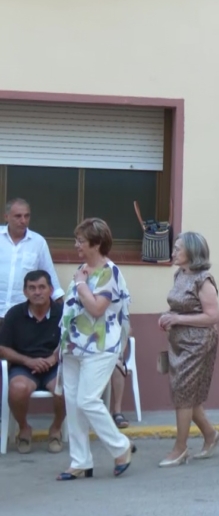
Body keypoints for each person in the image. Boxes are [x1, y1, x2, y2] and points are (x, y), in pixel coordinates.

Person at [56, 218, 135, 480]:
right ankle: (80, 461)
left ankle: (120, 446)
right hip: (73, 346)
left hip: (100, 346)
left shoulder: (109, 272)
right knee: (74, 405)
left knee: (88, 400)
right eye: (76, 240)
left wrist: (79, 284)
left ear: (97, 243)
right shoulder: (83, 269)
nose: (76, 245)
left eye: (80, 240)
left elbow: (96, 308)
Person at [157, 232, 219, 467]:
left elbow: (213, 316)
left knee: (183, 392)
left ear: (192, 253)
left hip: (198, 343)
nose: (173, 252)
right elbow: (179, 307)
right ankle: (210, 435)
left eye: (178, 248)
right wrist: (168, 317)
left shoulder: (203, 280)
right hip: (178, 342)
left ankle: (180, 448)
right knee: (186, 394)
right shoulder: (180, 274)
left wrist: (177, 319)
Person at [0, 270, 65, 454]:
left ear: (51, 290)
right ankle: (24, 429)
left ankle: (56, 429)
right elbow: (2, 348)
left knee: (66, 388)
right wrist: (28, 361)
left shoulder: (62, 313)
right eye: (32, 288)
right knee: (18, 389)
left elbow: (72, 341)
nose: (37, 292)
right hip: (24, 367)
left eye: (42, 287)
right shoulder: (14, 314)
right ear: (25, 291)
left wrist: (53, 358)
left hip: (54, 366)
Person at [1, 198, 64, 327]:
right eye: (18, 216)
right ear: (6, 217)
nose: (23, 220)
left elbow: (50, 278)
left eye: (26, 216)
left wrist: (62, 310)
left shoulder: (38, 242)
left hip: (22, 316)